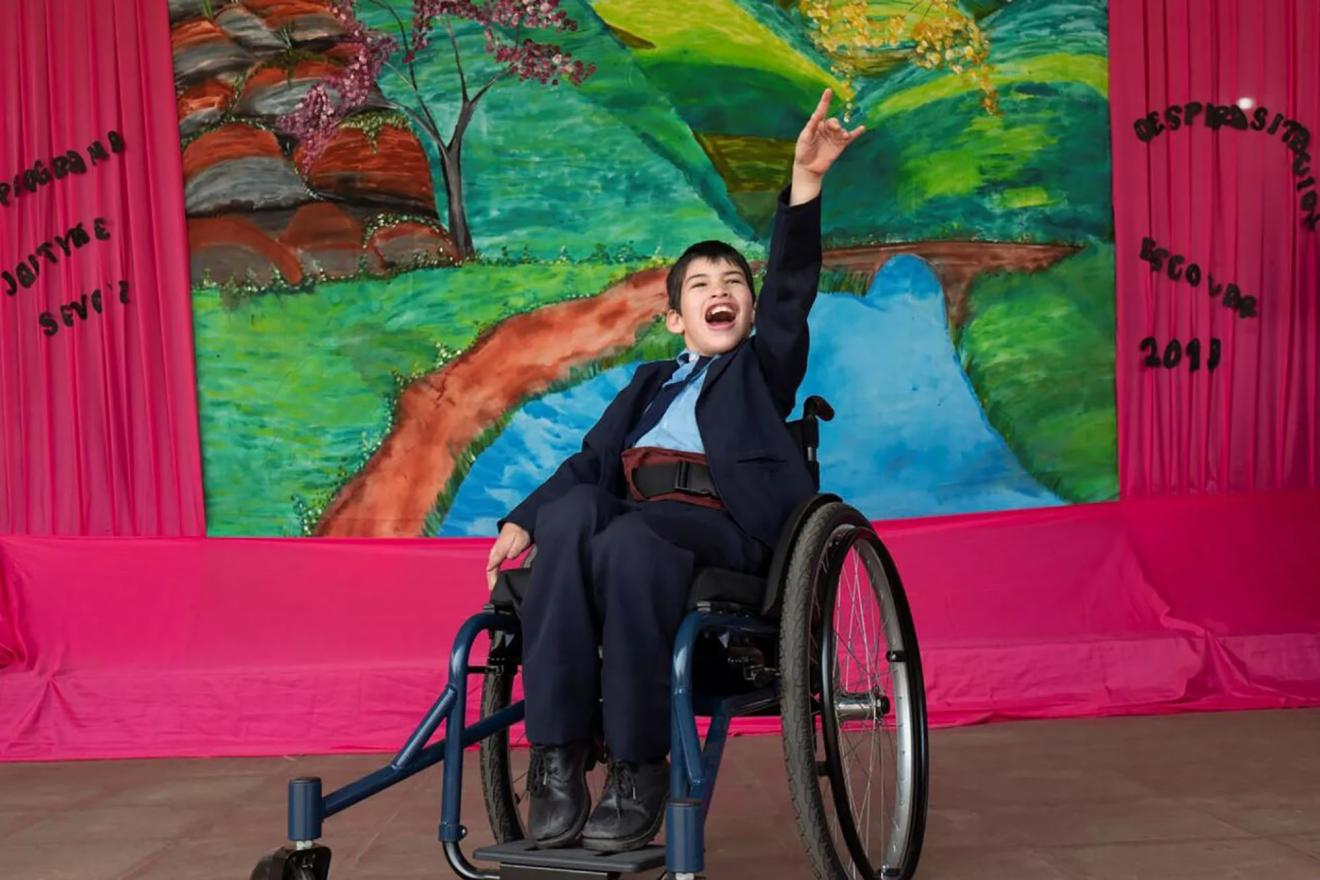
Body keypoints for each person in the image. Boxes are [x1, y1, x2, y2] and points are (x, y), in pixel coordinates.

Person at [485, 88, 864, 853]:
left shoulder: (761, 372)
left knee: (627, 541)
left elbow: (791, 290)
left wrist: (807, 185)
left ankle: (636, 768)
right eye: (701, 287)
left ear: (750, 314)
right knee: (571, 519)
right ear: (674, 319)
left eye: (734, 285)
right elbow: (591, 463)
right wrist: (520, 520)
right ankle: (557, 761)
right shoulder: (646, 385)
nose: (720, 293)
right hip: (633, 518)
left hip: (719, 527)